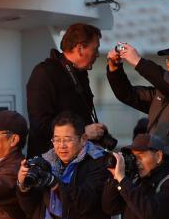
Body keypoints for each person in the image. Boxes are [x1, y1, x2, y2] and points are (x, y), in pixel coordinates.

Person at [26, 23, 116, 157]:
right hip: (51, 164)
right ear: (80, 48)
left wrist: (95, 131)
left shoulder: (80, 73)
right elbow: (39, 126)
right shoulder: (44, 73)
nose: (97, 55)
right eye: (95, 49)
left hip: (77, 159)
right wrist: (83, 132)